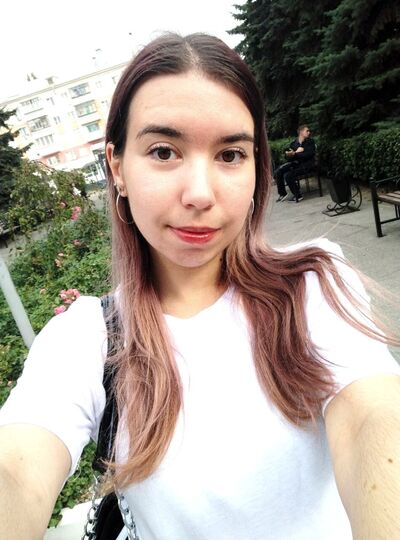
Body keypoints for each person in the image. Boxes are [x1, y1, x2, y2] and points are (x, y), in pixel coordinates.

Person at [0, 33, 399, 540]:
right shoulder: (87, 340)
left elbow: (374, 417)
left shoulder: (312, 287)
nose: (200, 194)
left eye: (230, 155)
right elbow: (16, 470)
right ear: (117, 168)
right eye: (164, 151)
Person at [275, 125, 316, 202]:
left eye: (309, 131)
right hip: (296, 164)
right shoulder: (293, 144)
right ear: (301, 132)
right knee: (278, 171)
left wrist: (295, 154)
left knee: (288, 175)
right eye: (307, 131)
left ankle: (298, 195)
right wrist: (290, 154)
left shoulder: (310, 142)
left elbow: (309, 154)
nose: (309, 132)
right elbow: (290, 158)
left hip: (307, 165)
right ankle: (282, 193)